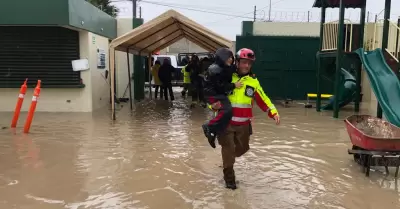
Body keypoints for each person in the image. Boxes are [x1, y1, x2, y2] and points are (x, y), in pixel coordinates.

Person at [210, 48, 280, 190]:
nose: (246, 66)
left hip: (243, 125)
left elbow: (263, 98)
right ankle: (230, 181)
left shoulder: (253, 82)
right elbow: (211, 93)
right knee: (228, 150)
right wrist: (212, 106)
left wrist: (273, 111)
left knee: (243, 148)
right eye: (243, 62)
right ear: (237, 62)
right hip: (226, 123)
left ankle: (227, 159)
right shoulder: (226, 76)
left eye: (249, 63)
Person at [202, 48, 242, 148]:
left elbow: (230, 70)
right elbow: (220, 86)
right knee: (227, 110)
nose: (231, 60)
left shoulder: (222, 67)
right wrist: (234, 85)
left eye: (232, 58)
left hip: (216, 94)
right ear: (222, 58)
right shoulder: (216, 69)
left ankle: (212, 133)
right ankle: (210, 126)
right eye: (229, 58)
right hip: (213, 94)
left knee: (226, 113)